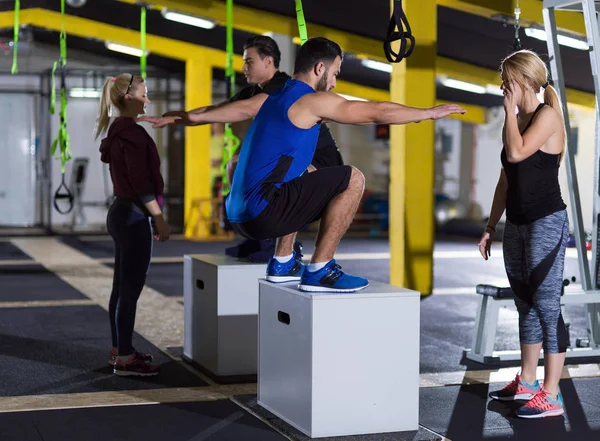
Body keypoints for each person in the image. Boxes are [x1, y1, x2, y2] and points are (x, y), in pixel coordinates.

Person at [144, 37, 465, 292]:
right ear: (320, 68)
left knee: (304, 172)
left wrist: (174, 118)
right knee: (352, 178)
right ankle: (320, 269)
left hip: (238, 215)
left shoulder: (269, 97)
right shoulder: (312, 101)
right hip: (264, 215)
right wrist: (428, 113)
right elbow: (375, 112)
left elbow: (210, 113)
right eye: (336, 74)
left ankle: (282, 262)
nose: (335, 83)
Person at [160, 35, 343, 262]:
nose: (243, 67)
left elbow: (247, 110)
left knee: (285, 176)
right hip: (290, 160)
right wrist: (182, 117)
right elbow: (219, 108)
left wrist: (189, 118)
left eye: (249, 61)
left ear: (268, 62)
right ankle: (258, 237)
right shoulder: (254, 91)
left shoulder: (283, 87)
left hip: (320, 162)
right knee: (235, 164)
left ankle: (280, 247)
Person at [478, 49, 568, 418]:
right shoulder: (519, 118)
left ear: (526, 81)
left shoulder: (547, 116)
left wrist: (508, 112)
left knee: (547, 307)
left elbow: (516, 154)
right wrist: (489, 225)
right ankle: (528, 381)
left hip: (545, 221)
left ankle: (552, 394)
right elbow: (506, 177)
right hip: (515, 223)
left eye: (508, 79)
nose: (503, 86)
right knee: (525, 303)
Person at [96, 73, 170, 376]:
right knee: (130, 289)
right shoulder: (133, 135)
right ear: (128, 97)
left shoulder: (118, 130)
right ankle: (126, 358)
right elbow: (141, 184)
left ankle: (120, 349)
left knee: (121, 287)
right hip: (134, 215)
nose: (148, 99)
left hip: (121, 212)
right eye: (144, 93)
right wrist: (159, 217)